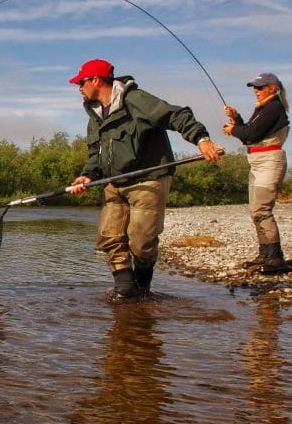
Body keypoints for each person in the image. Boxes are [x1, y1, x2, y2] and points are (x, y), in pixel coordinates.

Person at [67, 58, 222, 299]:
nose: (79, 87)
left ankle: (143, 287)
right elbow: (94, 153)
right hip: (114, 183)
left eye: (82, 82)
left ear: (97, 80)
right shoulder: (94, 116)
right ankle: (125, 291)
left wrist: (201, 139)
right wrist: (87, 175)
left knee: (141, 241)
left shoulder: (136, 100)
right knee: (110, 238)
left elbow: (176, 115)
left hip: (148, 178)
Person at [222, 72, 291, 274]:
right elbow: (250, 135)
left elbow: (250, 134)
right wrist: (237, 119)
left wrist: (232, 129)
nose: (256, 90)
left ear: (273, 88)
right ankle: (266, 254)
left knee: (261, 210)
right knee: (255, 211)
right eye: (254, 87)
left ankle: (276, 259)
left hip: (269, 162)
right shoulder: (264, 108)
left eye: (260, 87)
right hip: (258, 161)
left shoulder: (274, 108)